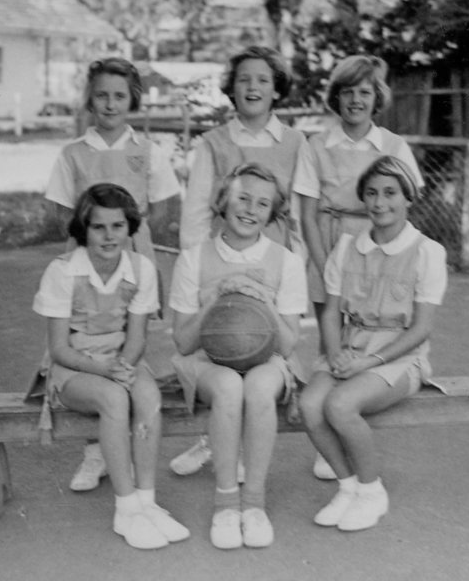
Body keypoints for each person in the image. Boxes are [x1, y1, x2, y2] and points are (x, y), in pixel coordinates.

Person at [44, 57, 182, 492]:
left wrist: (134, 235)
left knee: (128, 340)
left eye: (119, 95)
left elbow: (162, 205)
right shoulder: (73, 153)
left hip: (131, 249)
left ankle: (125, 440)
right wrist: (90, 236)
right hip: (88, 251)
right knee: (86, 339)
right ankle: (94, 451)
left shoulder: (148, 151)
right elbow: (60, 208)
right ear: (90, 99)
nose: (109, 103)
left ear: (133, 100)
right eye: (101, 94)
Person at [172, 45, 308, 477]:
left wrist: (297, 262)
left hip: (270, 267)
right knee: (222, 348)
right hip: (222, 263)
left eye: (263, 80)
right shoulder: (213, 142)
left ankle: (247, 450)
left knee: (262, 350)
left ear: (276, 90)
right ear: (231, 88)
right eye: (244, 79)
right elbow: (195, 212)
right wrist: (200, 263)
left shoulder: (295, 142)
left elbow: (301, 211)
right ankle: (211, 439)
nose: (253, 87)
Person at [30, 183, 189, 550]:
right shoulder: (63, 271)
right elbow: (58, 349)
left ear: (130, 227)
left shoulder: (141, 268)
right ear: (83, 229)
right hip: (75, 368)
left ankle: (147, 503)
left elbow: (136, 339)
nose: (108, 235)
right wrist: (106, 373)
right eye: (98, 227)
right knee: (115, 400)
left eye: (117, 226)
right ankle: (125, 507)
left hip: (122, 360)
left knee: (148, 395)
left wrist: (124, 365)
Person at [298, 156, 447, 532]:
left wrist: (369, 362)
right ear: (363, 199)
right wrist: (335, 355)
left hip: (400, 357)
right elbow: (331, 313)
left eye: (390, 193)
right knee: (310, 404)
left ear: (409, 196)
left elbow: (421, 329)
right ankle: (348, 487)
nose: (380, 203)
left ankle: (372, 489)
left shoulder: (427, 252)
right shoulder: (347, 248)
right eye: (372, 193)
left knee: (341, 403)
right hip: (349, 347)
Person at [293, 55, 424, 480]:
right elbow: (309, 213)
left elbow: (403, 203)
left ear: (376, 98)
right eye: (347, 92)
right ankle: (327, 438)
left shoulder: (393, 145)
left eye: (364, 92)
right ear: (336, 97)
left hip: (375, 248)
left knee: (372, 335)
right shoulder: (317, 146)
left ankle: (351, 421)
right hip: (329, 246)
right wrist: (324, 260)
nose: (355, 100)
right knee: (332, 342)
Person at [169, 163, 308, 549]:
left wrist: (264, 300)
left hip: (267, 360)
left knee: (261, 386)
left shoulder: (287, 261)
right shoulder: (194, 259)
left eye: (262, 204)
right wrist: (216, 296)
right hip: (207, 361)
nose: (250, 210)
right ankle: (226, 503)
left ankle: (254, 504)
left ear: (272, 213)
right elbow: (182, 342)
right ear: (223, 201)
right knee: (230, 386)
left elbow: (288, 344)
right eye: (242, 198)